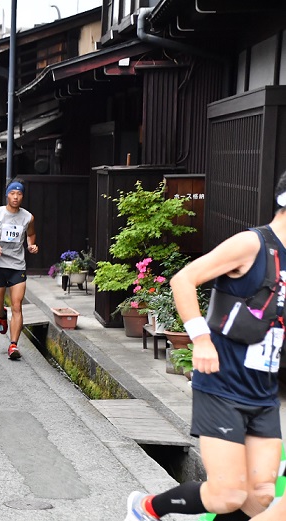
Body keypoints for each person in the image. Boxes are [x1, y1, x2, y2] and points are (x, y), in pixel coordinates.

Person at [124, 174, 286, 520]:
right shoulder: (253, 244)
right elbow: (184, 279)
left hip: (263, 390)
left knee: (259, 496)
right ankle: (146, 507)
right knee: (227, 495)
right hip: (223, 383)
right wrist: (200, 338)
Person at [0, 181, 38, 360]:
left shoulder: (28, 217)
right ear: (7, 195)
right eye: (12, 194)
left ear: (22, 197)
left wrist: (31, 245)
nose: (16, 197)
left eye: (19, 194)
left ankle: (13, 345)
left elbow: (31, 234)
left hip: (17, 266)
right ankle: (2, 315)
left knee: (17, 306)